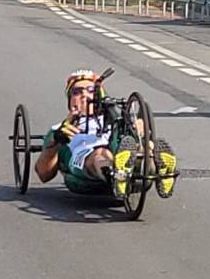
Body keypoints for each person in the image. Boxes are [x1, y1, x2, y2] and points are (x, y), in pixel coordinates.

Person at [34, 70, 177, 199]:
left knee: (142, 146)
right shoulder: (58, 129)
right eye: (77, 92)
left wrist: (138, 130)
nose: (84, 95)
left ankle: (157, 165)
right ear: (70, 99)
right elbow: (43, 174)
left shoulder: (116, 118)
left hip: (124, 156)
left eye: (90, 90)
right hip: (85, 171)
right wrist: (55, 142)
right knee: (100, 154)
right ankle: (118, 175)